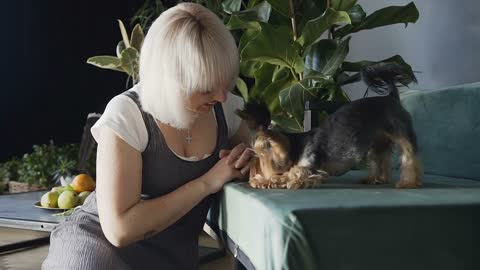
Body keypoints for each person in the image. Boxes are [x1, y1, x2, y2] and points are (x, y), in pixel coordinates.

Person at [42, 3, 254, 269]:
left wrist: (249, 162)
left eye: (225, 82)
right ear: (171, 78)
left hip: (171, 258)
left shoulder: (225, 108)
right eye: (206, 87)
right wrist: (208, 182)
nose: (221, 96)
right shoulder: (127, 114)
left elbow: (260, 161)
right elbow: (119, 230)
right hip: (97, 252)